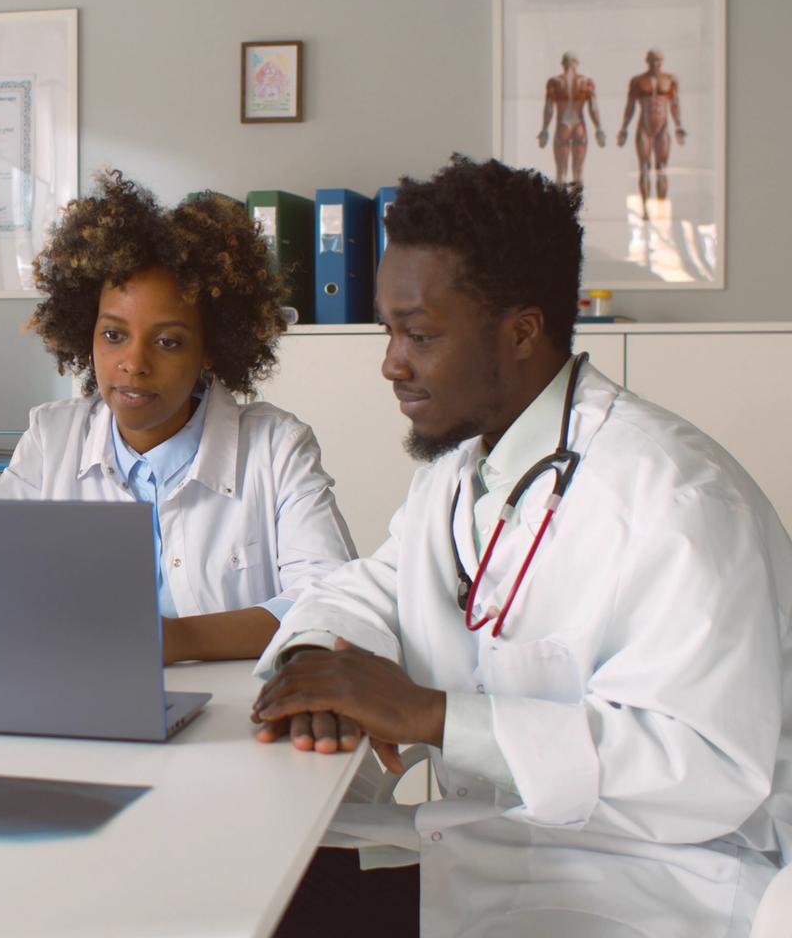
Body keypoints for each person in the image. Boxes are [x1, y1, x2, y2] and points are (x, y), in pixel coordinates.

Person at [252, 155, 792, 937]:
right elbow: (374, 586)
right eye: (388, 329)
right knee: (255, 893)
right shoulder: (467, 467)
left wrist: (433, 716)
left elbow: (705, 770)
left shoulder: (674, 498)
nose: (390, 362)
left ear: (522, 332)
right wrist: (315, 663)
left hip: (649, 887)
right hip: (494, 854)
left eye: (420, 334)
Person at [0, 170, 355, 663]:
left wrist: (177, 640)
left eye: (168, 341)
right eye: (114, 335)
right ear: (87, 334)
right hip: (80, 699)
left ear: (210, 349)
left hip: (236, 717)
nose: (134, 364)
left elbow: (330, 601)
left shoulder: (277, 447)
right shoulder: (50, 440)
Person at [617, 49, 687, 213]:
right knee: (644, 168)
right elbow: (630, 106)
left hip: (663, 127)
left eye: (657, 60)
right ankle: (645, 209)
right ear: (647, 61)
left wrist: (679, 126)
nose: (655, 63)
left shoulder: (670, 80)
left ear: (661, 61)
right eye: (652, 60)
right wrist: (624, 128)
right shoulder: (638, 81)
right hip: (644, 127)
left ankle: (661, 208)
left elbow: (674, 104)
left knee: (662, 169)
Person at [536, 51, 604, 191]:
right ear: (576, 63)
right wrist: (599, 128)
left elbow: (549, 108)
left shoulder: (555, 82)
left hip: (563, 126)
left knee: (561, 172)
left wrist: (544, 130)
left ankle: (561, 208)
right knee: (578, 172)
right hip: (579, 126)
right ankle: (577, 207)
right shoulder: (586, 82)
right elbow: (593, 108)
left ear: (562, 63)